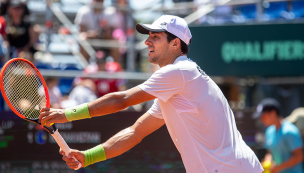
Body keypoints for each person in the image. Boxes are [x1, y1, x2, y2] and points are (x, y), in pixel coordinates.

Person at [39, 15, 263, 173]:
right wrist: (88, 157)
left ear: (175, 44)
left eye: (155, 37)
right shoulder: (177, 85)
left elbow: (121, 100)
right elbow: (135, 132)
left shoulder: (179, 72)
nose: (147, 41)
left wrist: (65, 114)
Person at [253, 98, 303, 173]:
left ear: (273, 113)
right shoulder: (269, 131)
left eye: (263, 116)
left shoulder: (290, 131)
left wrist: (278, 168)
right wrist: (267, 162)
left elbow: (299, 156)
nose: (261, 120)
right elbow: (269, 152)